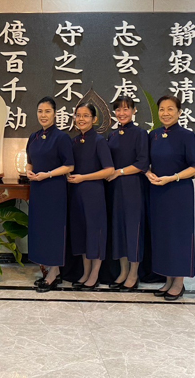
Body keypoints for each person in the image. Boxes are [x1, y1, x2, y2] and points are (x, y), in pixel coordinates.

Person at [146, 95, 195, 300]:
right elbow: (146, 162)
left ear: (179, 112)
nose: (166, 113)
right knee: (162, 236)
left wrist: (173, 177)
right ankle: (168, 279)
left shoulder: (187, 135)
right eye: (162, 109)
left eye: (170, 109)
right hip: (158, 192)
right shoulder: (153, 135)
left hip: (178, 193)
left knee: (178, 236)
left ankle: (178, 282)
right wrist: (148, 173)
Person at [26, 97, 74, 293]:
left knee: (53, 230)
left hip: (54, 189)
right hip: (37, 189)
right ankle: (49, 270)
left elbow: (69, 166)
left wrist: (48, 174)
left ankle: (54, 273)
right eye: (40, 111)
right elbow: (30, 160)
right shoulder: (34, 136)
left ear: (55, 114)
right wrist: (28, 171)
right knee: (41, 230)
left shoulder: (61, 137)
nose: (43, 115)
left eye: (47, 111)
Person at [67, 103, 114, 290]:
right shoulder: (74, 141)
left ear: (94, 119)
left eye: (86, 116)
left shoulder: (99, 141)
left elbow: (109, 170)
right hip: (76, 194)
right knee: (82, 234)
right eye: (78, 115)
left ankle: (95, 274)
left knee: (95, 234)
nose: (81, 119)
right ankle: (85, 272)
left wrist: (83, 178)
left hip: (94, 193)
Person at [106, 96, 149, 291]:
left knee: (133, 230)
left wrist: (120, 172)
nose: (122, 113)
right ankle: (123, 271)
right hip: (114, 189)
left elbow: (142, 163)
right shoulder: (112, 135)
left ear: (134, 111)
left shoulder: (140, 133)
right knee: (119, 231)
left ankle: (133, 273)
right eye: (118, 109)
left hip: (133, 188)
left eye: (126, 109)